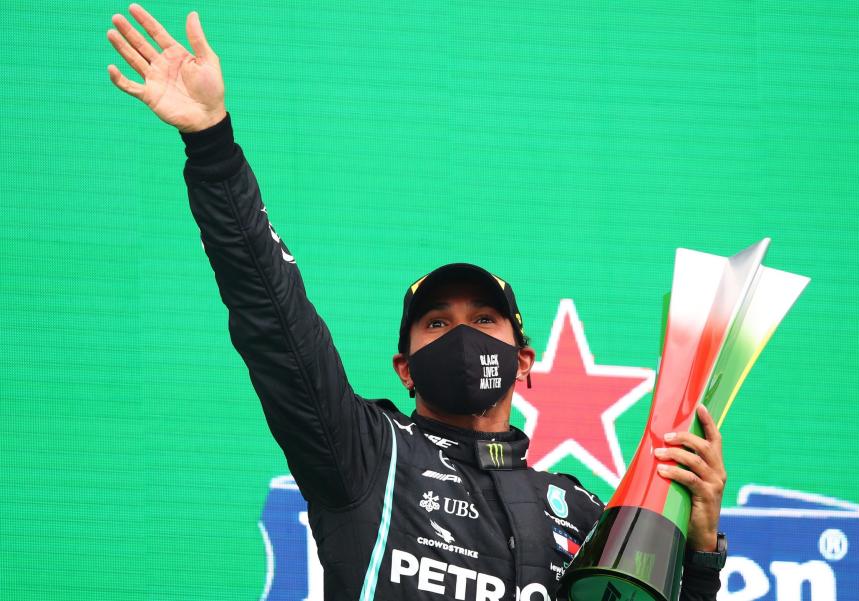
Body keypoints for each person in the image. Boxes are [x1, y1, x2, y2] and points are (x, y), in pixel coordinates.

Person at [106, 6, 728, 600]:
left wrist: (698, 558)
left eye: (484, 320)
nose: (464, 336)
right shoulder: (364, 453)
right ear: (404, 367)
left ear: (524, 359)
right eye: (437, 323)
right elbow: (273, 316)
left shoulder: (581, 513)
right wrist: (212, 146)